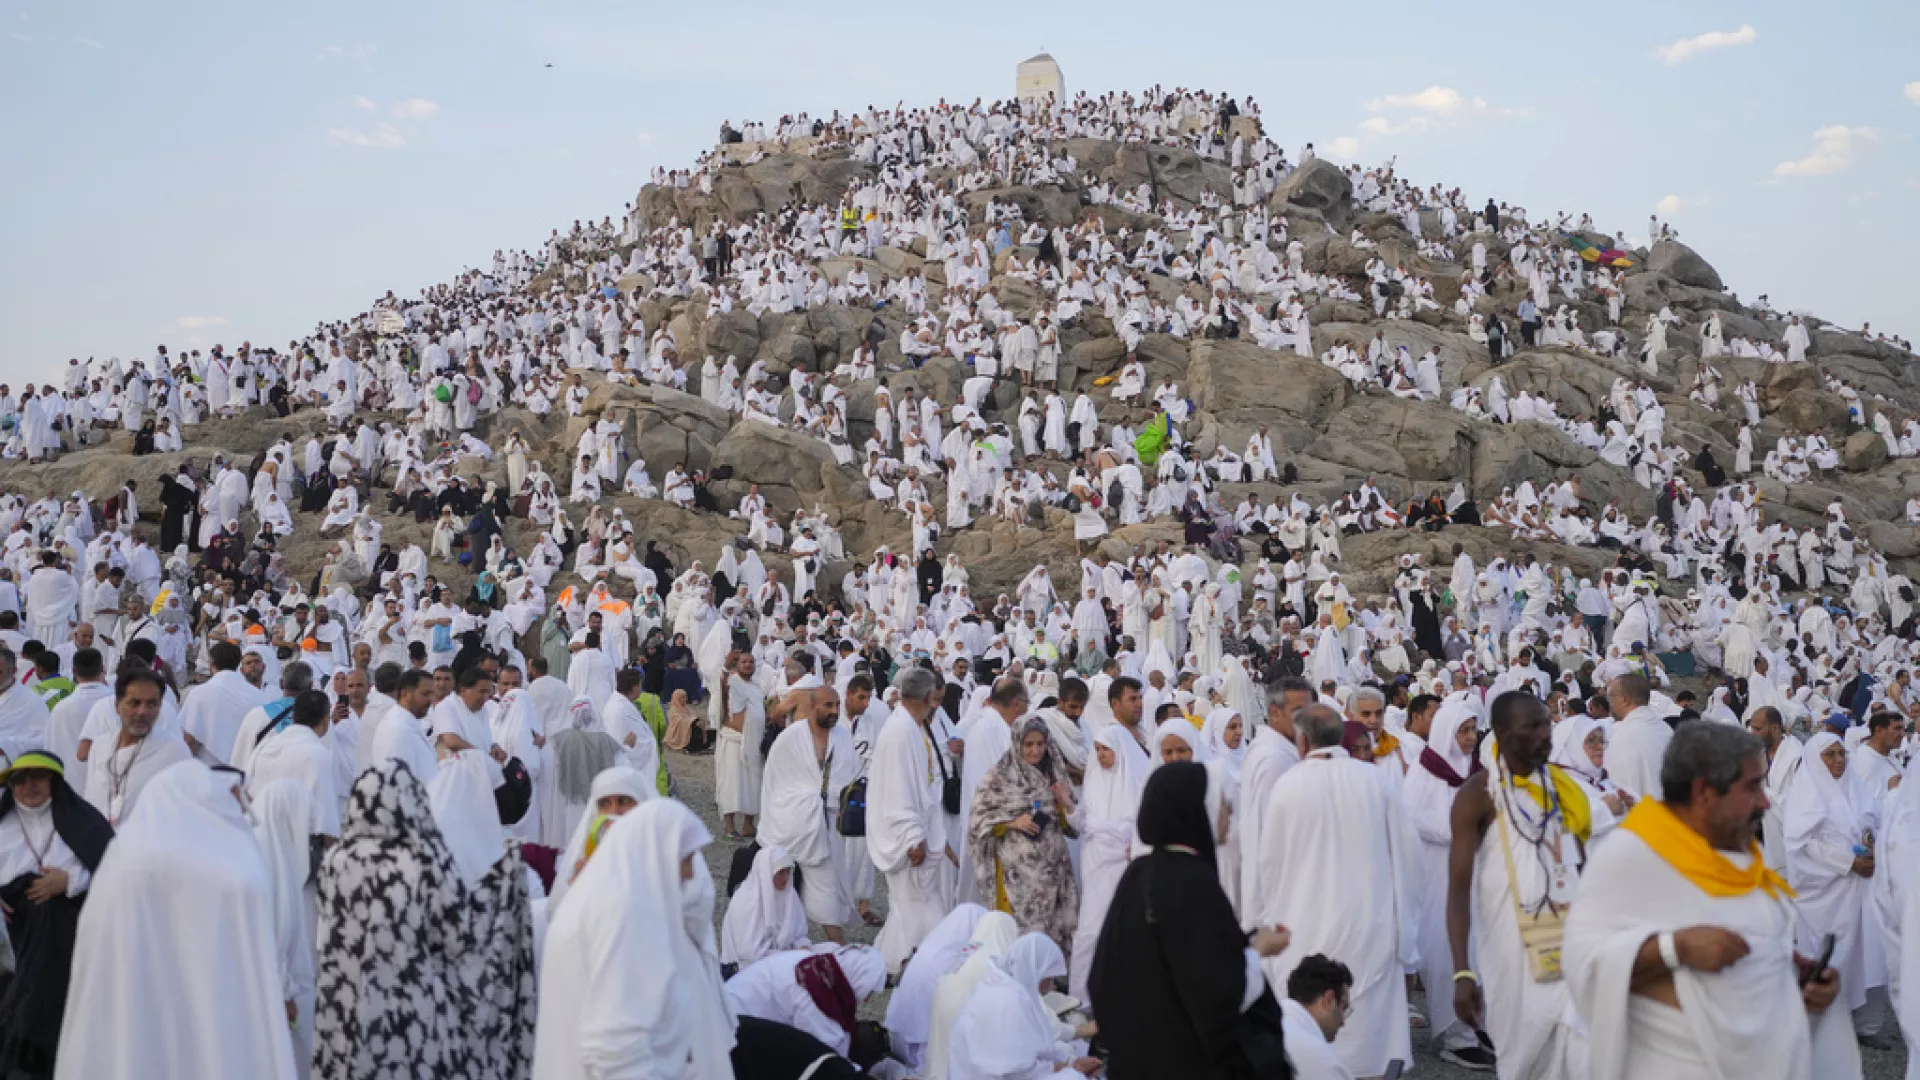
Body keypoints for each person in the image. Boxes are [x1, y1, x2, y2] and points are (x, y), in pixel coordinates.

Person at [1563, 722, 1851, 1080]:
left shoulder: (1740, 848)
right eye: (1752, 787)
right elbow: (1581, 962)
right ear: (1704, 793)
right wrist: (1673, 948)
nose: (1764, 801)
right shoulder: (1633, 855)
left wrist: (1797, 978)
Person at [56, 761, 297, 1079]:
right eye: (235, 793)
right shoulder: (237, 869)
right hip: (220, 1015)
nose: (245, 802)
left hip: (137, 1014)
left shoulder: (123, 861)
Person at [1090, 761, 1290, 1080]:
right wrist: (1256, 952)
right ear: (1200, 811)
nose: (1229, 816)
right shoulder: (1193, 883)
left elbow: (1104, 978)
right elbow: (1218, 992)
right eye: (1223, 806)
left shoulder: (1138, 874)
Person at [1249, 703, 1413, 1078]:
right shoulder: (1377, 781)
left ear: (1302, 741)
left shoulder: (1288, 785)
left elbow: (1269, 865)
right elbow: (1407, 857)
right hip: (1371, 919)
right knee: (1368, 1028)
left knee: (1313, 1022)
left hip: (1303, 921)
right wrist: (1406, 927)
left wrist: (1266, 919)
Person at [534, 798, 737, 1079]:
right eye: (685, 859)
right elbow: (615, 1045)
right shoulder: (618, 919)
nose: (691, 873)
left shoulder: (628, 906)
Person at [1446, 691, 1590, 1079]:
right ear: (1506, 734)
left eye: (1546, 723)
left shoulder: (1562, 788)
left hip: (1568, 941)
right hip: (1511, 948)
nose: (1547, 734)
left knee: (1577, 1049)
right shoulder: (1478, 796)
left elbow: (1583, 864)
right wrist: (1462, 972)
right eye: (1534, 726)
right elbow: (1457, 890)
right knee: (1522, 1060)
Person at [314, 760, 470, 1078]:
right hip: (409, 1007)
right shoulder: (425, 859)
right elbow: (456, 934)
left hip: (344, 1002)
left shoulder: (335, 860)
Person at [0, 751, 111, 1079]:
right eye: (20, 780)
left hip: (66, 927)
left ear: (55, 782)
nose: (28, 786)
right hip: (9, 929)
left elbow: (113, 867)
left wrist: (70, 881)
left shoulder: (84, 822)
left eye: (38, 777)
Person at [1783, 731, 1888, 1046]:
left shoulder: (1856, 787)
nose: (1838, 761)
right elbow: (1802, 843)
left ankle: (1867, 1027)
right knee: (1833, 953)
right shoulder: (1805, 794)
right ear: (1816, 759)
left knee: (1868, 951)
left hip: (1862, 888)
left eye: (1841, 754)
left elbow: (1875, 822)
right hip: (1826, 893)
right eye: (1829, 755)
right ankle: (1825, 1025)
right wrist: (1847, 862)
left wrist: (1871, 846)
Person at [869, 667, 958, 971]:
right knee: (918, 903)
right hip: (909, 836)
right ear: (928, 696)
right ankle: (921, 962)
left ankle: (892, 960)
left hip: (923, 829)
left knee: (908, 904)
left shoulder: (913, 727)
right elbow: (897, 790)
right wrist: (912, 836)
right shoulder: (899, 733)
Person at [968, 716, 1079, 953]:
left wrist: (1064, 802)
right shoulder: (999, 776)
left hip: (1054, 869)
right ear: (1017, 743)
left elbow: (1073, 825)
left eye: (1040, 744)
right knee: (1023, 936)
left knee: (1053, 931)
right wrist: (1011, 822)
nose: (1035, 751)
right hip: (1018, 876)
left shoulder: (1054, 772)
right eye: (1028, 745)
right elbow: (978, 819)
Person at [757, 681, 859, 942]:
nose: (835, 710)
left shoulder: (843, 738)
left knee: (826, 886)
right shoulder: (790, 738)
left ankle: (838, 943)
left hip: (826, 824)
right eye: (828, 705)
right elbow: (775, 781)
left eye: (837, 705)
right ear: (812, 707)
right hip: (792, 822)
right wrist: (805, 801)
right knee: (779, 886)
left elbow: (851, 776)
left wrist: (831, 797)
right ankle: (772, 940)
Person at [1068, 724, 1148, 1004]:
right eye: (1098, 750)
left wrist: (1119, 835)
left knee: (1124, 931)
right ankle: (1082, 999)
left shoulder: (1138, 781)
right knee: (1089, 932)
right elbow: (1082, 823)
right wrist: (1067, 806)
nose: (1101, 756)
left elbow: (1141, 828)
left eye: (1107, 750)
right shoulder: (1094, 782)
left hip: (1124, 868)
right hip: (1095, 866)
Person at [945, 932, 1093, 1080]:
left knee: (1065, 1054)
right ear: (1035, 970)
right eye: (1048, 977)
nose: (1051, 986)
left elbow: (1037, 1049)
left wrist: (1071, 1062)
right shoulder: (1008, 1000)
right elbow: (1016, 1071)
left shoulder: (1002, 985)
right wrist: (1069, 1068)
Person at [723, 944, 889, 1062]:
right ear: (857, 978)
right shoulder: (815, 994)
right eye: (869, 991)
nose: (866, 999)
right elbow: (826, 1056)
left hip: (735, 1010)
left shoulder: (817, 966)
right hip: (734, 1033)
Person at [81, 666, 190, 827]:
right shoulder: (100, 746)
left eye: (151, 704)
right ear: (117, 705)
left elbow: (182, 815)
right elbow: (91, 800)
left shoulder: (174, 752)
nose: (142, 712)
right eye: (134, 703)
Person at [720, 844, 811, 971]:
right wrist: (791, 955)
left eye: (788, 871)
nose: (786, 878)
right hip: (745, 968)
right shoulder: (745, 901)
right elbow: (749, 953)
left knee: (830, 949)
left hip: (783, 958)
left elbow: (800, 933)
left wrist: (803, 946)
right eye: (780, 872)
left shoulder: (789, 895)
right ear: (766, 873)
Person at [1282, 954, 1357, 1080]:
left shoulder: (1272, 1020)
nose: (1343, 1022)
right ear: (1328, 1001)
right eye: (1343, 1008)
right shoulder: (1315, 1054)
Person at [1602, 673, 1671, 801]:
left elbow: (1618, 793)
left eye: (1610, 697)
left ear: (1625, 699)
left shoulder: (1620, 737)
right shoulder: (1666, 730)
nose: (1609, 704)